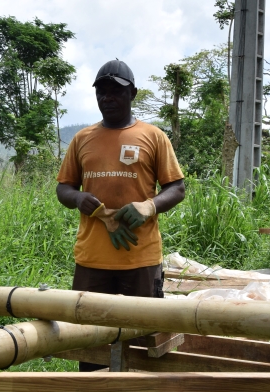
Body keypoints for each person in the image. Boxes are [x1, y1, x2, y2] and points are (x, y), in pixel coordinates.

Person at [56, 59, 185, 371]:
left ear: (132, 94)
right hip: (92, 259)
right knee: (88, 337)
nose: (107, 97)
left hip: (139, 259)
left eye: (116, 91)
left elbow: (177, 188)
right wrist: (78, 197)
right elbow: (64, 189)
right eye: (102, 91)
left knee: (142, 335)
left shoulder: (153, 136)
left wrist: (149, 206)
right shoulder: (82, 139)